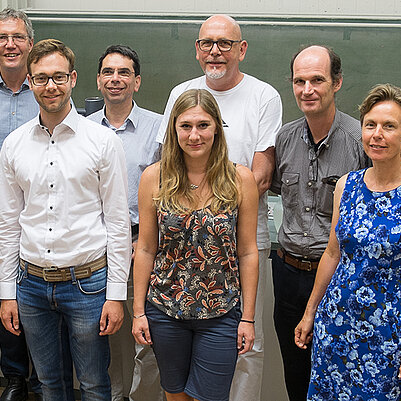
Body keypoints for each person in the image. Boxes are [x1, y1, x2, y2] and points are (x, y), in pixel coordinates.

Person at [0, 38, 131, 401]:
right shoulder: (14, 144)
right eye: (40, 78)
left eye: (57, 77)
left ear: (72, 79)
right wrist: (7, 293)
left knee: (93, 384)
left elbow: (117, 222)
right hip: (31, 284)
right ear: (29, 82)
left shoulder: (102, 141)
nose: (49, 86)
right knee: (48, 384)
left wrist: (116, 295)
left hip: (87, 284)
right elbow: (6, 223)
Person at [294, 84, 401, 400]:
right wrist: (310, 312)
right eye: (370, 125)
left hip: (386, 332)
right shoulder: (347, 185)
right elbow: (333, 252)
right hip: (335, 322)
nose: (377, 134)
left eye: (389, 126)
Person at [155, 14, 282, 401]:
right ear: (197, 50)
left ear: (241, 49)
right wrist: (190, 216)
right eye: (207, 43)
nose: (215, 50)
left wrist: (211, 213)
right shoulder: (181, 92)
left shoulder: (264, 96)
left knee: (246, 342)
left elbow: (260, 177)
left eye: (225, 43)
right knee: (174, 358)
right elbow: (167, 165)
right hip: (180, 243)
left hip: (239, 238)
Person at [0, 9, 72, 400]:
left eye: (18, 37)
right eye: (2, 37)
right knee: (5, 299)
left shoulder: (51, 89)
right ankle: (15, 378)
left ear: (30, 43)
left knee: (49, 300)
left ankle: (50, 382)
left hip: (50, 212)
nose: (10, 44)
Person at [132, 88, 258, 401]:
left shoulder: (240, 179)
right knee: (175, 396)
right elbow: (146, 248)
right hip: (165, 309)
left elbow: (247, 252)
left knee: (211, 397)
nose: (194, 135)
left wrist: (248, 317)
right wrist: (138, 312)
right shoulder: (155, 177)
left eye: (203, 125)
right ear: (174, 129)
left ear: (217, 127)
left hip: (221, 311)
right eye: (186, 126)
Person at [270, 45, 370, 400]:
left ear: (337, 83)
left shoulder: (361, 141)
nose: (307, 89)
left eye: (317, 80)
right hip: (287, 272)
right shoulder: (283, 138)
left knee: (338, 371)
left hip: (339, 274)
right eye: (299, 81)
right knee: (295, 370)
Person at [85, 44, 161, 401]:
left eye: (124, 73)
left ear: (137, 81)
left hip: (141, 245)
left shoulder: (158, 129)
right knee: (106, 335)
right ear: (98, 81)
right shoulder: (81, 130)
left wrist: (147, 236)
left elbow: (170, 188)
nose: (116, 79)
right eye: (109, 73)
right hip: (92, 249)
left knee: (146, 335)